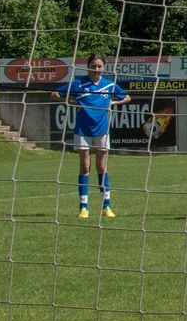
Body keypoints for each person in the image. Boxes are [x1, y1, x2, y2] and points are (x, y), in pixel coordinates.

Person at [51, 54, 131, 220]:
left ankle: (106, 206)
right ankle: (83, 208)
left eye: (99, 66)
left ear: (103, 68)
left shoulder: (109, 85)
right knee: (85, 167)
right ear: (88, 67)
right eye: (93, 66)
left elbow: (127, 97)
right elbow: (54, 94)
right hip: (82, 130)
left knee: (101, 167)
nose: (96, 69)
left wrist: (113, 103)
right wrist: (74, 102)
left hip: (102, 130)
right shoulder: (78, 84)